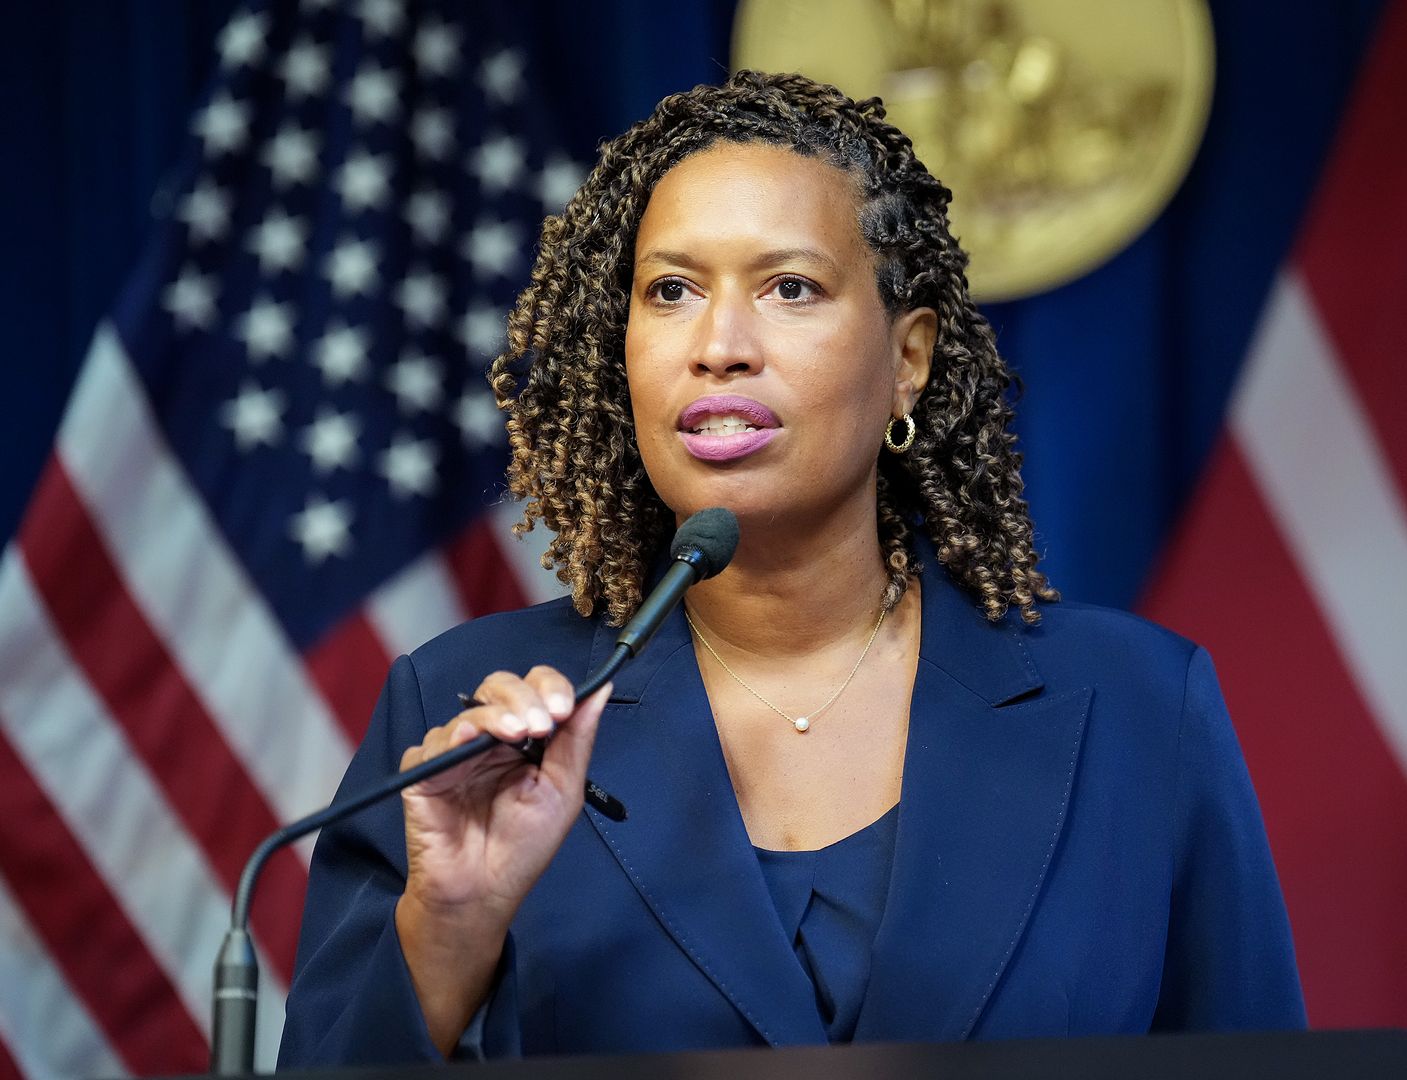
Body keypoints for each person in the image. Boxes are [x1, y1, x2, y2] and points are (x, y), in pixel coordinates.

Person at [279, 70, 1305, 1066]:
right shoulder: (464, 721)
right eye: (671, 290)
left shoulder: (1136, 707)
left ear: (908, 358)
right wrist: (448, 930)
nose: (720, 344)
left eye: (790, 287)